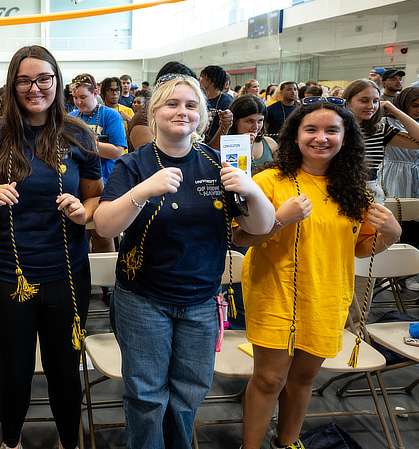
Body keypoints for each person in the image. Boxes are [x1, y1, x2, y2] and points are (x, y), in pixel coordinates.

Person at [92, 75, 274, 449]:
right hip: (143, 300)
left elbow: (261, 226)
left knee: (188, 393)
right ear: (154, 112)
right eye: (172, 104)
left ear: (202, 116)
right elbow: (104, 223)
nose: (182, 111)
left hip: (202, 301)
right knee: (146, 396)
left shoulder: (217, 164)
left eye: (191, 105)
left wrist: (251, 188)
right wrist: (144, 190)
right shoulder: (134, 164)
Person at [235, 99, 401, 449]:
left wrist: (392, 235)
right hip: (275, 292)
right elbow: (241, 238)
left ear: (345, 138)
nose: (320, 138)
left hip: (326, 295)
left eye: (331, 131)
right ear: (295, 136)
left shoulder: (355, 191)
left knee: (304, 378)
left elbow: (360, 250)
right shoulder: (269, 182)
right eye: (311, 129)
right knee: (268, 379)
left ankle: (287, 443)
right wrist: (280, 219)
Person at [0, 45, 103, 449]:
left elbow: (96, 197)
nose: (34, 88)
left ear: (57, 81)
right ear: (12, 84)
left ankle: (68, 442)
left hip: (67, 272)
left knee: (64, 369)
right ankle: (10, 442)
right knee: (14, 370)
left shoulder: (77, 133)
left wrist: (83, 211)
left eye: (43, 79)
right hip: (8, 276)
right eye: (24, 80)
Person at [342, 79, 419, 203]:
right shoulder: (334, 129)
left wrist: (396, 111)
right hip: (340, 188)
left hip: (370, 191)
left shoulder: (378, 130)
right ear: (347, 103)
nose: (371, 106)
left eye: (375, 101)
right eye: (364, 101)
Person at [382, 87, 419, 250]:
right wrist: (396, 111)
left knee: (417, 217)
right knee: (395, 216)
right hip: (396, 171)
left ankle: (412, 258)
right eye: (415, 105)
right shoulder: (387, 122)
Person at [228, 94, 279, 173]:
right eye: (249, 121)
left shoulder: (270, 143)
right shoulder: (226, 145)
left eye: (260, 121)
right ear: (235, 120)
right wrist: (240, 144)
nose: (256, 127)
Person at [198, 65, 233, 144]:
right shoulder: (200, 99)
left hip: (218, 145)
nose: (199, 79)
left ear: (212, 80)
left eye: (202, 76)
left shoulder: (226, 101)